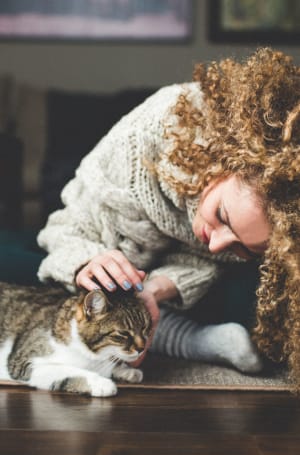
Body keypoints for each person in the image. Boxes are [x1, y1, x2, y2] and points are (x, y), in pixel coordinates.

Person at [37, 48, 300, 388]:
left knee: (242, 289)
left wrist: (156, 290)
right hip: (104, 243)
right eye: (222, 215)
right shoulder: (151, 135)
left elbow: (209, 262)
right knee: (53, 295)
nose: (219, 244)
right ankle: (194, 340)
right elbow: (63, 229)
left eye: (246, 247)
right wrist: (89, 262)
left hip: (162, 279)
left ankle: (194, 329)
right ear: (228, 159)